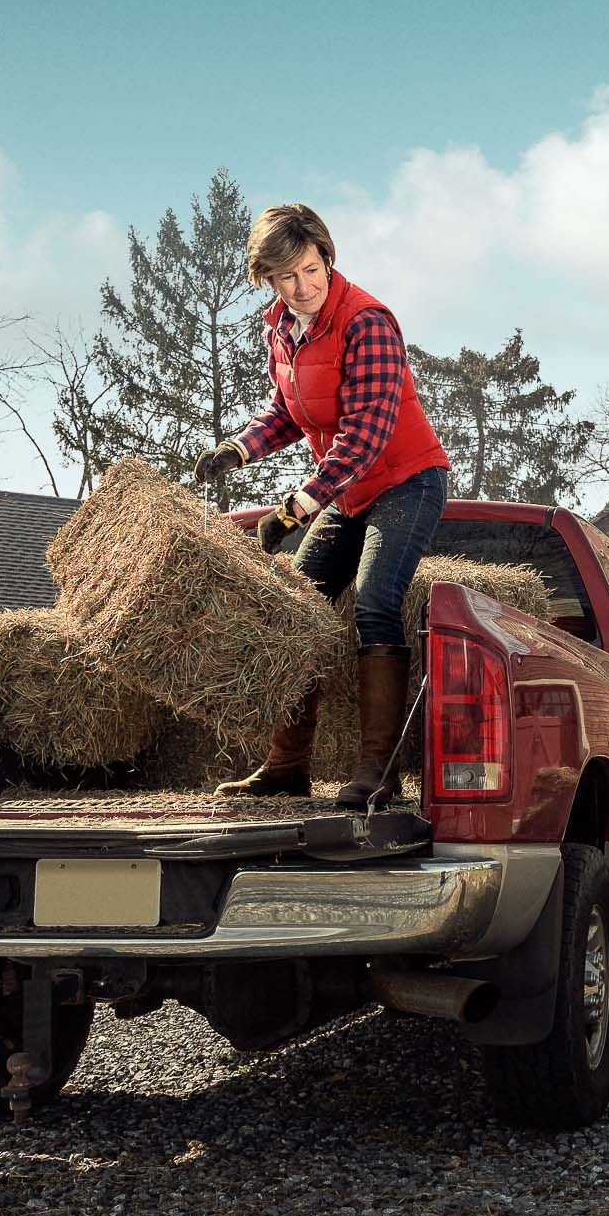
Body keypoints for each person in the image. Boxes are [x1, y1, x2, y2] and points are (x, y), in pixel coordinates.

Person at [194, 204, 449, 806]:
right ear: (268, 279)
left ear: (327, 259)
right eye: (287, 277)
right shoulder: (279, 327)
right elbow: (291, 411)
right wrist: (238, 449)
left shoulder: (368, 322)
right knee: (295, 610)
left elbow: (363, 435)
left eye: (311, 269)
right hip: (350, 488)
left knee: (375, 603)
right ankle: (287, 764)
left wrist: (298, 505)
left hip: (406, 481)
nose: (303, 287)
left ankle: (377, 772)